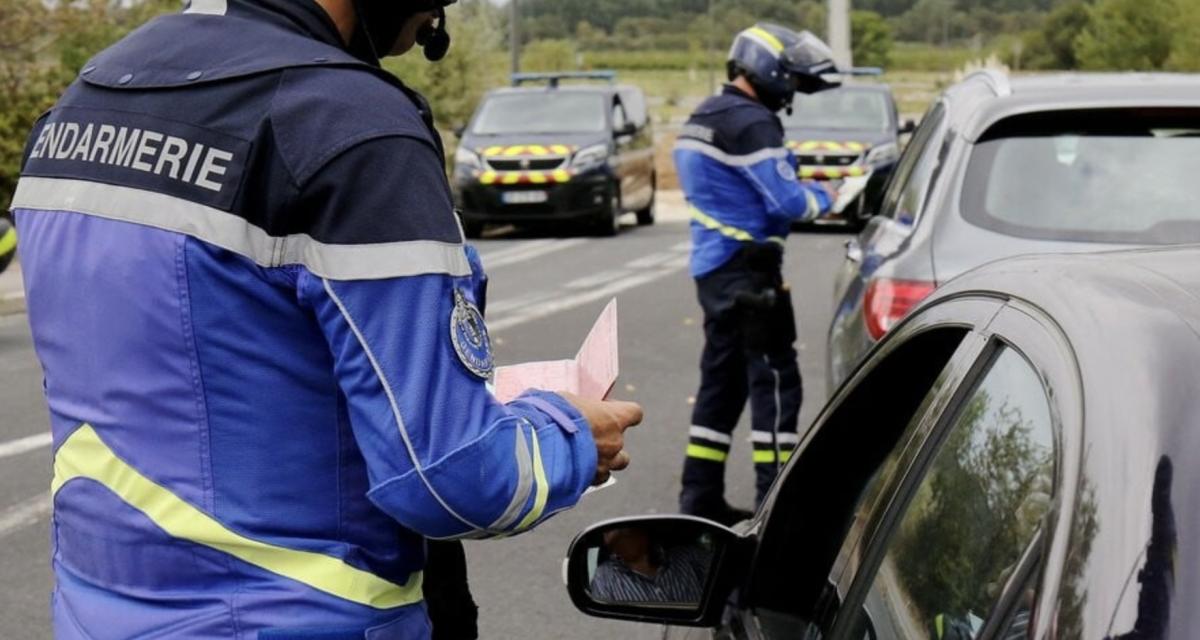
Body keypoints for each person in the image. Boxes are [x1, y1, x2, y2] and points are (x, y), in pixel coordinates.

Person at [10, 0, 643, 638]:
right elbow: (451, 479)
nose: (430, 20)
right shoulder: (351, 128)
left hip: (95, 614)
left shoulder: (80, 104)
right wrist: (570, 431)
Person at [673, 23, 841, 525]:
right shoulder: (752, 123)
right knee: (775, 382)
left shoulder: (705, 115)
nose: (789, 88)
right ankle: (777, 508)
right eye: (788, 78)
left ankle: (699, 499)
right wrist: (833, 196)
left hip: (715, 272)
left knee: (721, 388)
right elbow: (789, 202)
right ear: (767, 70)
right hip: (751, 275)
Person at [590, 528, 712, 605]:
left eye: (627, 532)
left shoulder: (688, 556)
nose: (608, 538)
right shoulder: (604, 578)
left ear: (644, 531)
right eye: (607, 532)